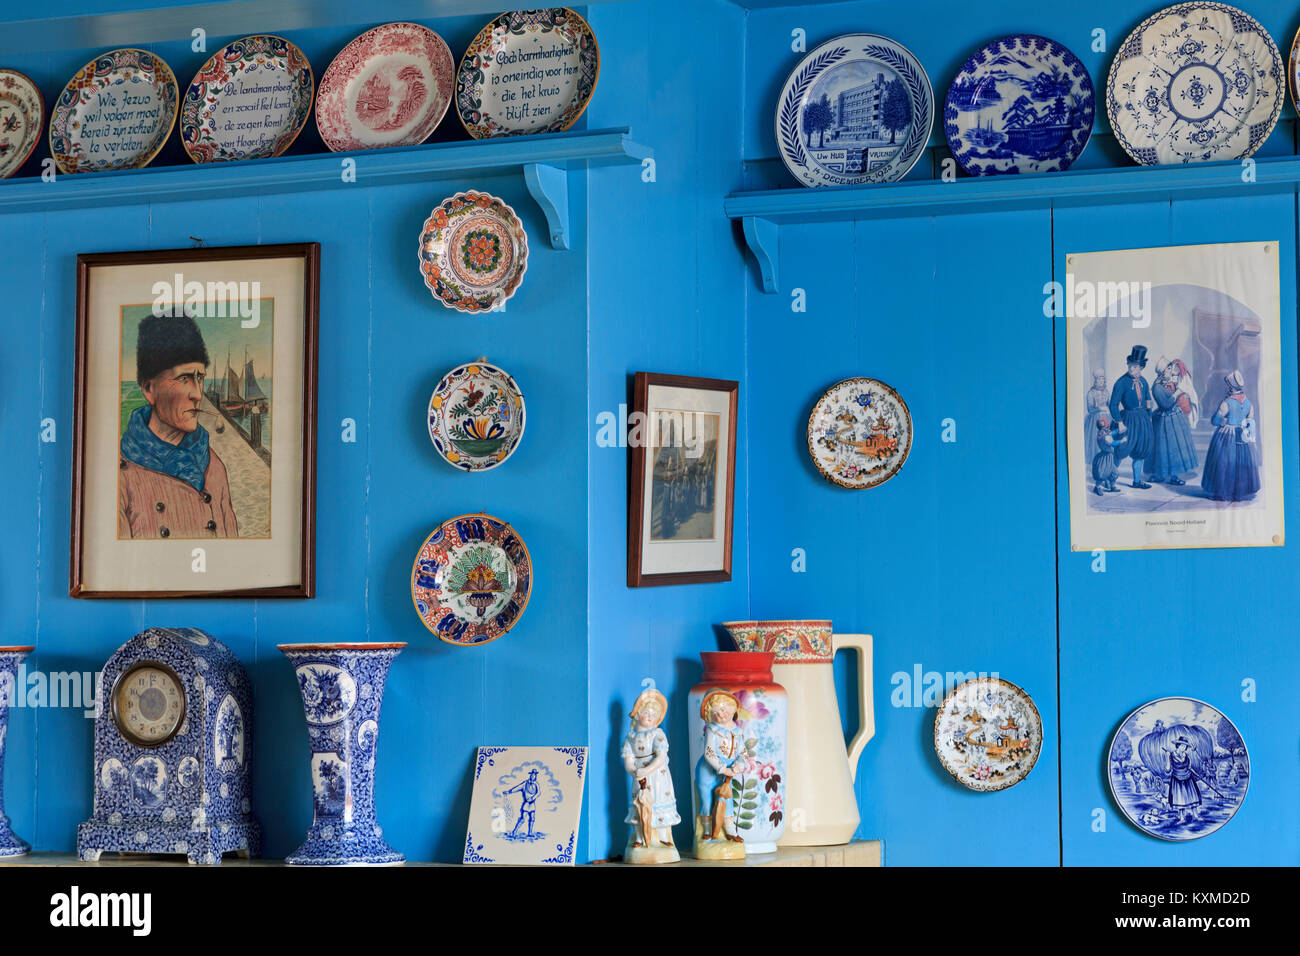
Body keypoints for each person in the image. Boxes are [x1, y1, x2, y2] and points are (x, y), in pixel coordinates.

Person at [118, 313, 238, 539]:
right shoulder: (120, 479)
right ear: (149, 390)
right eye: (184, 379)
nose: (198, 394)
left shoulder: (215, 467)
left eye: (200, 378)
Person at [621, 679, 680, 853]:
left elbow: (661, 756)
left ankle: (662, 836)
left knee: (659, 800)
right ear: (638, 714)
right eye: (647, 713)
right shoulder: (631, 737)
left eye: (655, 715)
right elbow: (628, 758)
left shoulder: (657, 733)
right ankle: (639, 836)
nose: (650, 717)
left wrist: (646, 770)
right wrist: (634, 771)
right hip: (639, 776)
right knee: (639, 804)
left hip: (657, 774)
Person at [694, 690, 751, 844]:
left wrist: (739, 764)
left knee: (727, 798)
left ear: (732, 708)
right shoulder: (713, 730)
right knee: (706, 800)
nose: (721, 714)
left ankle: (730, 829)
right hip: (708, 770)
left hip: (727, 772)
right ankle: (707, 829)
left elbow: (743, 752)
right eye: (715, 712)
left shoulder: (737, 731)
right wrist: (723, 769)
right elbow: (709, 752)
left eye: (723, 709)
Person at [1201, 370, 1260, 502]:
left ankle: (1224, 491)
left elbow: (1215, 421)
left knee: (1223, 463)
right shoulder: (1249, 403)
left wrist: (1223, 421)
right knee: (1241, 464)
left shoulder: (1226, 403)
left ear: (1231, 386)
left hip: (1227, 436)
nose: (1226, 387)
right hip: (1243, 436)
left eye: (1227, 385)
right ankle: (1240, 492)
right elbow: (1250, 422)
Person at [1108, 345, 1154, 488]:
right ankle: (1110, 480)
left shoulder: (1144, 381)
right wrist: (1119, 422)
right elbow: (1113, 405)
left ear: (1141, 367)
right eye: (1130, 365)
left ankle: (1136, 481)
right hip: (1127, 419)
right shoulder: (1121, 383)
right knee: (1121, 449)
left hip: (1143, 420)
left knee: (1140, 450)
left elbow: (1148, 400)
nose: (1131, 368)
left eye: (1135, 366)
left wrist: (1149, 416)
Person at [1148, 356, 1198, 485]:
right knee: (1165, 449)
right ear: (1162, 371)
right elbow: (1166, 404)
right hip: (1165, 421)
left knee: (1176, 448)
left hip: (1175, 418)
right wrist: (1176, 394)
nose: (1171, 370)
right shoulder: (1157, 387)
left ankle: (1174, 476)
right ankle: (1160, 475)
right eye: (1168, 368)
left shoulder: (1168, 381)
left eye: (1170, 367)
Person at [1092, 415, 1126, 495]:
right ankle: (1097, 487)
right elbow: (1113, 443)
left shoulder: (1102, 432)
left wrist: (1119, 430)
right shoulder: (1105, 436)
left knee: (1114, 472)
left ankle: (1112, 486)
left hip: (1109, 457)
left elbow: (1112, 433)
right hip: (1105, 457)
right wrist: (1122, 441)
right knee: (1102, 472)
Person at [505, 768, 541, 838]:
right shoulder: (525, 783)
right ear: (530, 775)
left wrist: (533, 798)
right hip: (526, 804)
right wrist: (509, 791)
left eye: (535, 775)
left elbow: (538, 792)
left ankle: (530, 833)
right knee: (522, 818)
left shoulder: (536, 784)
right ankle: (514, 832)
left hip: (532, 804)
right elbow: (517, 788)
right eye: (533, 775)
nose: (534, 776)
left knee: (532, 818)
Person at [1084, 368, 1108, 457]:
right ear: (1095, 381)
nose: (1101, 381)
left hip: (1106, 418)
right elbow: (1090, 409)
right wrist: (1100, 409)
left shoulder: (1106, 392)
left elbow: (1109, 404)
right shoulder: (1091, 393)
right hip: (1094, 420)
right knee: (1095, 440)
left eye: (1102, 379)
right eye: (1099, 379)